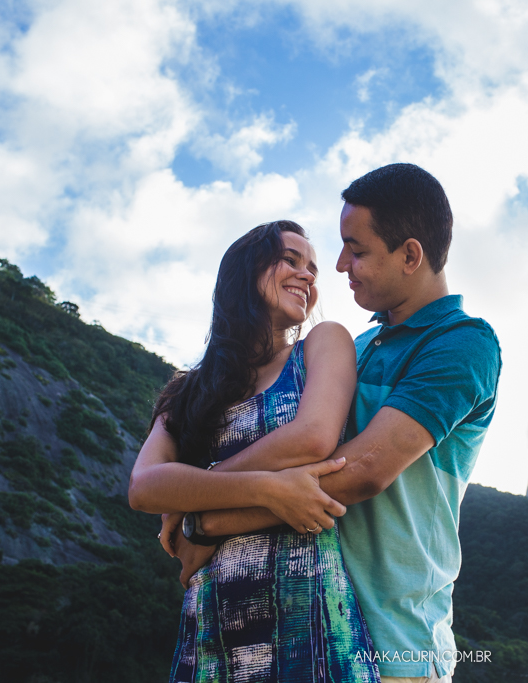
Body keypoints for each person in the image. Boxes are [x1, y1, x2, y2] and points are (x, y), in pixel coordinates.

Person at [166, 164, 502, 683]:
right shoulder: (352, 349)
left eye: (358, 249)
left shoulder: (462, 344)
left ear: (411, 255)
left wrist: (205, 519)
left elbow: (362, 470)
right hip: (308, 627)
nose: (341, 264)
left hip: (396, 643)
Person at [128, 220, 381, 683]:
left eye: (313, 269)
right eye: (291, 259)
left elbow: (313, 438)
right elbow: (144, 487)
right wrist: (266, 486)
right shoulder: (189, 389)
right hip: (210, 630)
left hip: (310, 621)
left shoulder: (324, 344)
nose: (308, 276)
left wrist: (192, 499)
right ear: (245, 272)